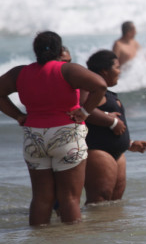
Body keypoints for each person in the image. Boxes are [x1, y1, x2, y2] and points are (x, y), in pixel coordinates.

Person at [0, 31, 107, 225]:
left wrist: (18, 115)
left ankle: (39, 243)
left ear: (36, 51)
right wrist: (84, 111)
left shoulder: (20, 72)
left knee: (41, 198)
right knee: (69, 198)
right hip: (66, 136)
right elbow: (100, 85)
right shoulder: (67, 70)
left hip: (34, 137)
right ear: (59, 49)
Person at [82, 50, 146, 204]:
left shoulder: (107, 92)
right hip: (98, 150)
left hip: (118, 153)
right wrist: (111, 121)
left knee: (114, 202)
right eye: (117, 67)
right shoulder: (89, 88)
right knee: (99, 200)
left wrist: (130, 143)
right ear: (104, 71)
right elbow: (83, 110)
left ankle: (111, 229)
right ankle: (94, 228)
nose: (120, 71)